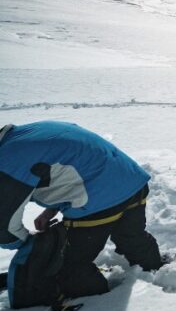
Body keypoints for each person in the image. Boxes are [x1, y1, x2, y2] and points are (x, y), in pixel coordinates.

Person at [0, 121, 163, 299]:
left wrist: (29, 245)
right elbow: (70, 163)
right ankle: (156, 271)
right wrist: (51, 210)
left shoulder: (6, 160)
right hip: (132, 181)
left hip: (99, 199)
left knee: (70, 265)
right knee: (131, 237)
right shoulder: (28, 133)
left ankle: (96, 306)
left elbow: (5, 226)